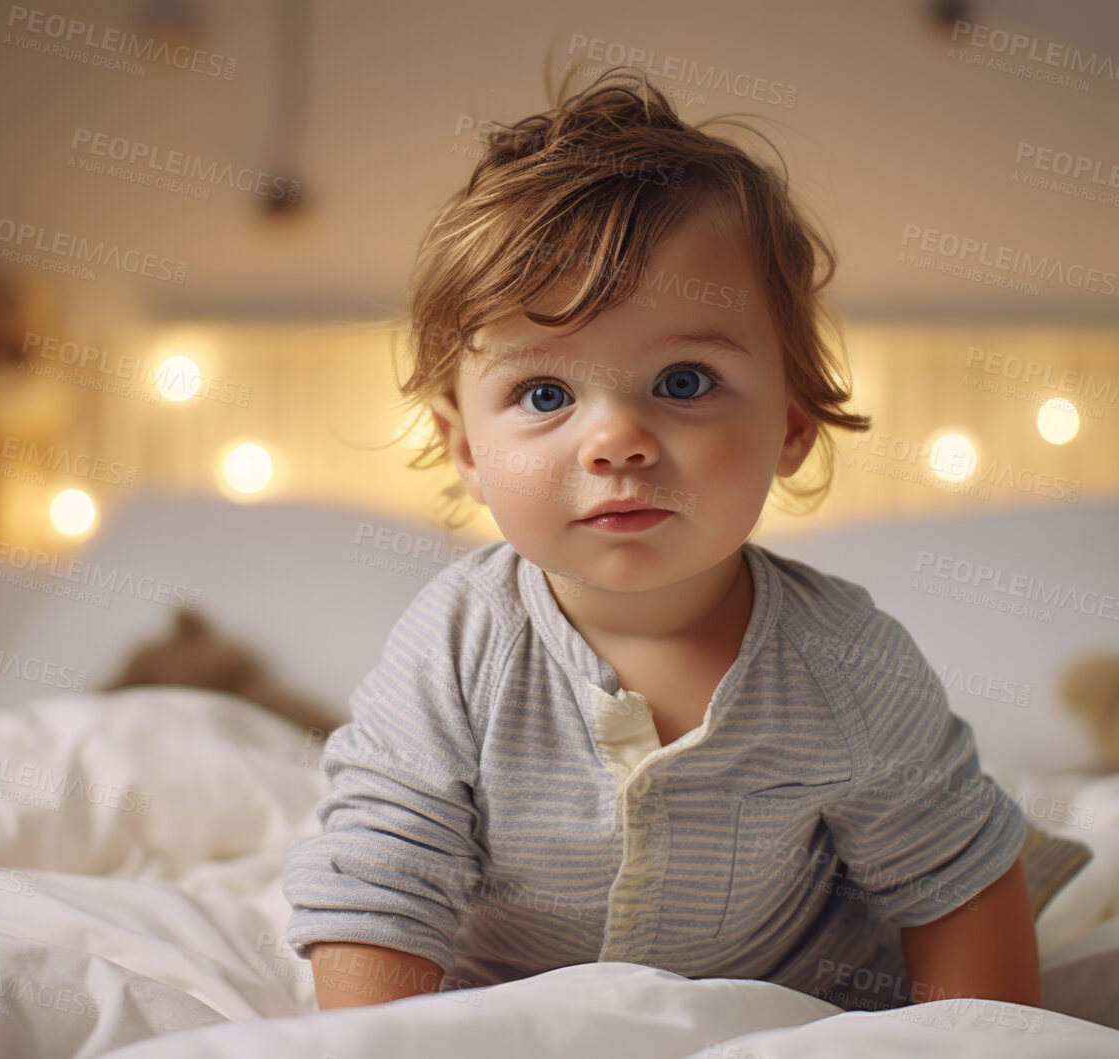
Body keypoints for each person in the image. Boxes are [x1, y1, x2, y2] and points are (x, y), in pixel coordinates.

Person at [280, 66, 1039, 1013]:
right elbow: (378, 875)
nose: (617, 442)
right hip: (499, 1005)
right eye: (545, 394)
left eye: (684, 381)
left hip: (787, 1006)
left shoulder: (847, 661)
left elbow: (956, 880)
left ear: (792, 425)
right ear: (465, 447)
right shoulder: (455, 643)